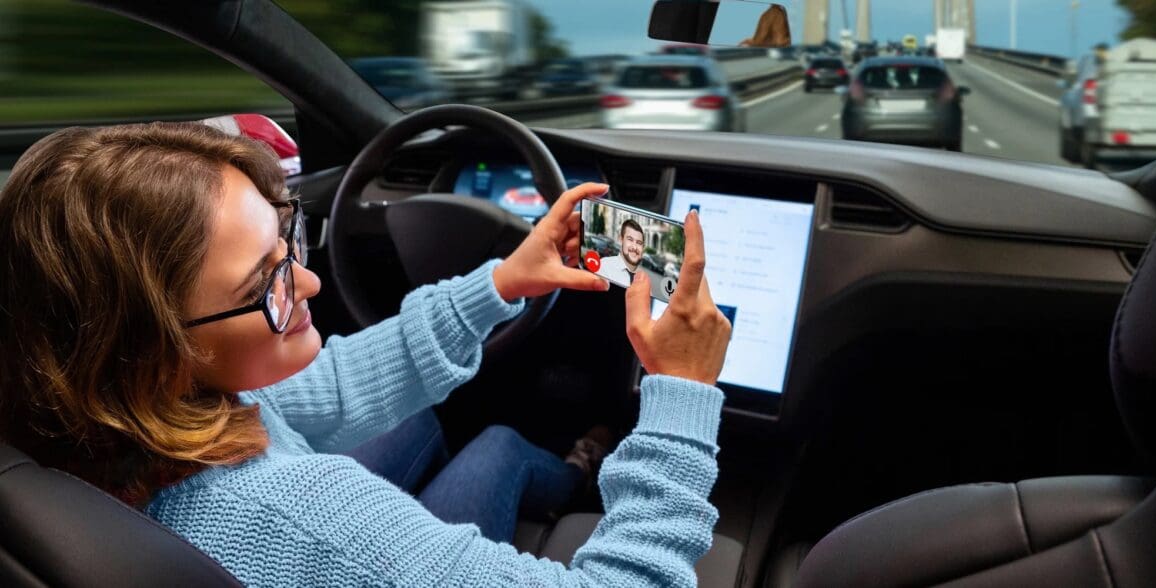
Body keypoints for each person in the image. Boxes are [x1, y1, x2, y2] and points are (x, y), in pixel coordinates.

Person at [0, 122, 733, 586]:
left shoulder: (112, 409)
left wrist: (503, 281)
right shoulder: (306, 520)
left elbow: (334, 386)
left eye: (290, 244)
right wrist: (682, 398)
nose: (311, 279)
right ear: (159, 348)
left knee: (436, 429)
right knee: (501, 445)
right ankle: (582, 472)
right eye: (269, 280)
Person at [597, 218, 646, 286]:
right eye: (630, 239)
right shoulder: (604, 266)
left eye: (639, 243)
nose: (634, 247)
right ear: (621, 239)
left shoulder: (644, 280)